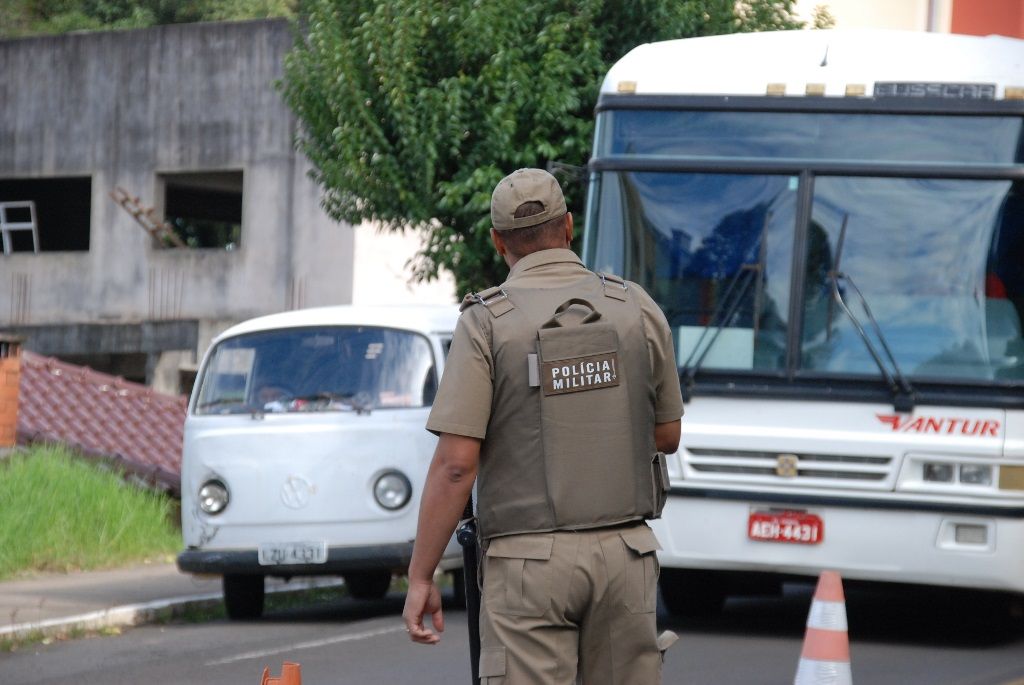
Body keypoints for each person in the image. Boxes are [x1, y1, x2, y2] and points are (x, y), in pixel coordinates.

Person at [402, 168, 684, 683]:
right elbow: (667, 436)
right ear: (569, 227)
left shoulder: (486, 323)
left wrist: (421, 575)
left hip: (527, 565)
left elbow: (456, 466)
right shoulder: (634, 306)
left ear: (497, 241)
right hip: (626, 554)